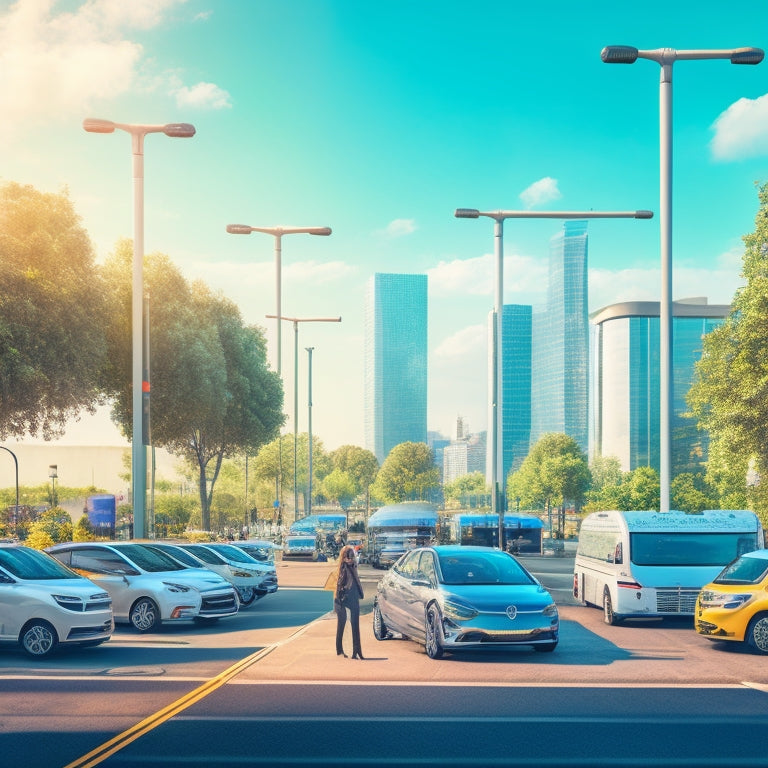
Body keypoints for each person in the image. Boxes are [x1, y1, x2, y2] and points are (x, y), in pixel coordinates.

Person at [334, 544, 365, 659]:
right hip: (342, 598)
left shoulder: (353, 566)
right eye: (348, 557)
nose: (350, 559)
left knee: (355, 624)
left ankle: (357, 650)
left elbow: (356, 581)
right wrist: (339, 600)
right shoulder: (342, 568)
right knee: (341, 624)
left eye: (352, 557)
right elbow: (339, 585)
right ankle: (339, 649)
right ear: (343, 557)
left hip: (353, 597)